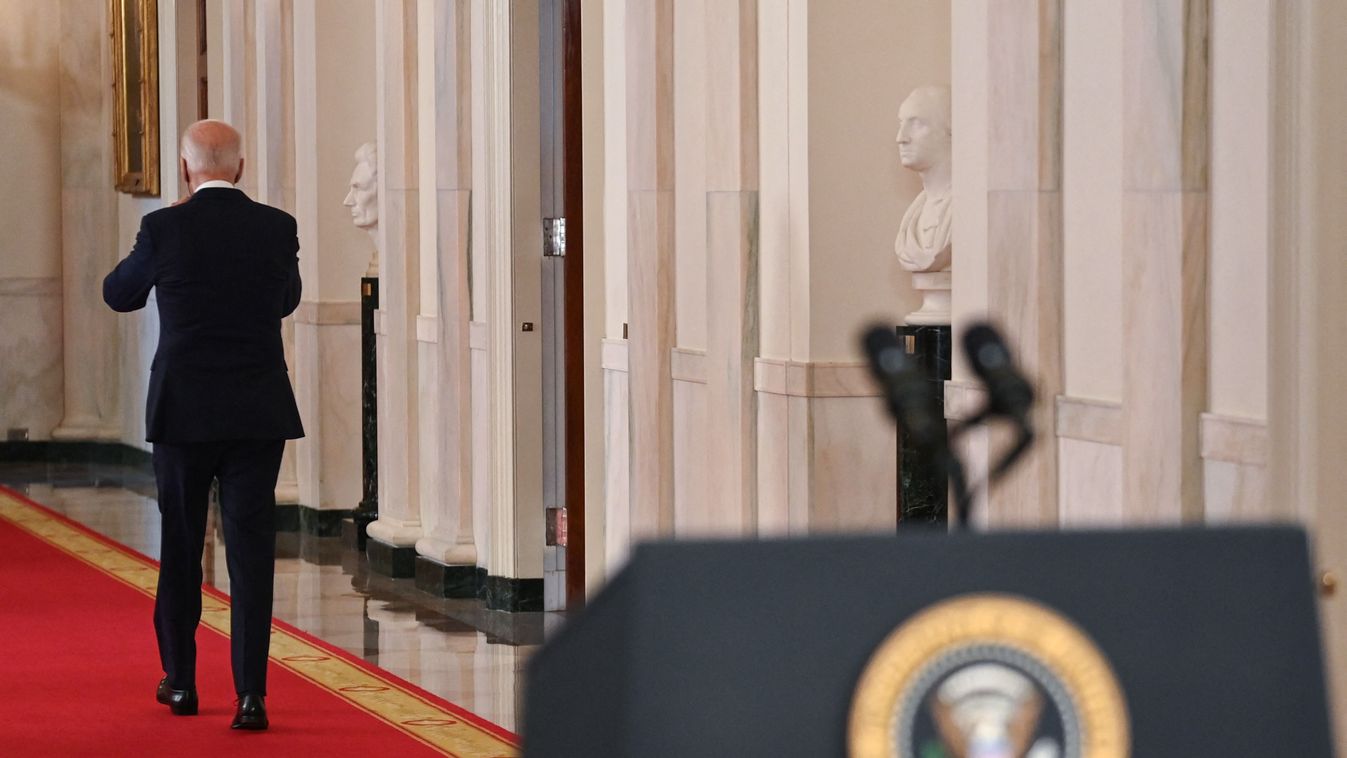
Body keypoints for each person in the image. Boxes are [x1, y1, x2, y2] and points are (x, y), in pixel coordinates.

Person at [103, 119, 303, 731]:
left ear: (186, 169)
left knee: (182, 545)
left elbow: (119, 294)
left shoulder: (163, 228)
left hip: (184, 410)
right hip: (256, 408)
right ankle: (251, 696)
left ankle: (182, 683)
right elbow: (287, 299)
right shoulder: (276, 226)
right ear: (239, 168)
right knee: (251, 551)